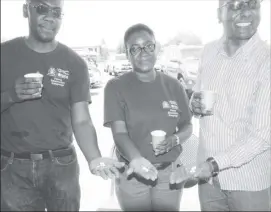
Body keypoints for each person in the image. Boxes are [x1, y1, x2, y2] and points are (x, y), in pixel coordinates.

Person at [0, 0, 124, 211]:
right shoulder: (4, 54)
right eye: (42, 8)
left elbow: (82, 120)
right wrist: (11, 95)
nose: (50, 17)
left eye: (57, 12)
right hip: (13, 167)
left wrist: (94, 158)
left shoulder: (74, 63)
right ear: (25, 10)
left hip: (61, 165)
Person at [189, 0, 270, 211]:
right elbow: (198, 96)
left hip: (249, 181)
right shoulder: (208, 52)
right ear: (219, 14)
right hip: (208, 183)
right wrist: (193, 104)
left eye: (252, 4)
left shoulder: (267, 60)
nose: (245, 12)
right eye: (235, 5)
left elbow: (262, 135)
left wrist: (214, 164)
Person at [103, 23, 193, 211]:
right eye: (134, 48)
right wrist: (136, 160)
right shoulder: (116, 86)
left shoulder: (174, 85)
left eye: (148, 46)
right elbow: (119, 133)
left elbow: (187, 125)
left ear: (156, 48)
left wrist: (175, 139)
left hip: (169, 174)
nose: (142, 52)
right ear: (127, 54)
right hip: (132, 174)